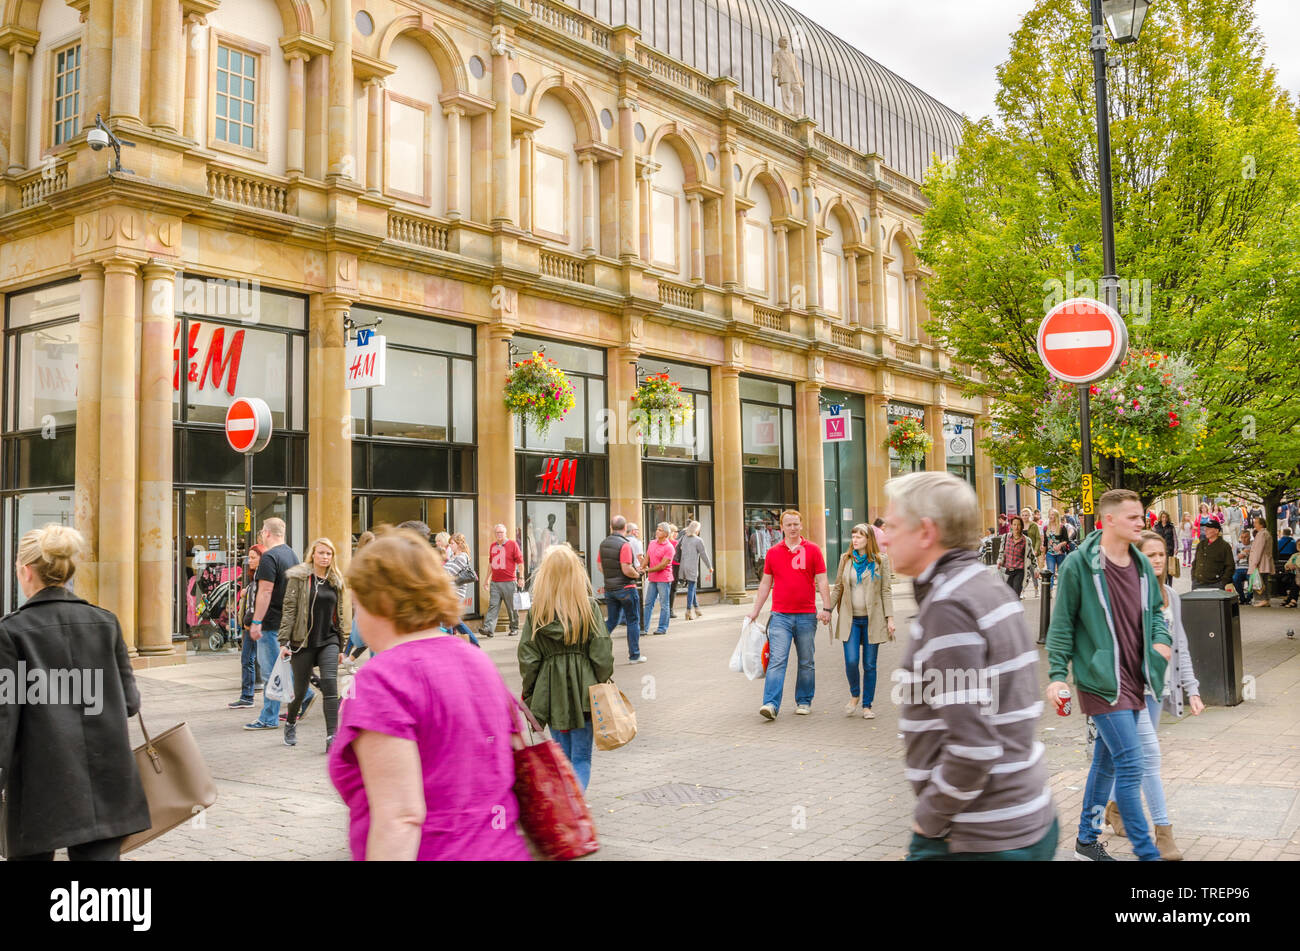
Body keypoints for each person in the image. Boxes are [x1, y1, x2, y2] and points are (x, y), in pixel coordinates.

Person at [881, 473, 1057, 861]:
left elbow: (973, 747)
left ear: (926, 531)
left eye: (892, 525)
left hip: (980, 834)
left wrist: (926, 822)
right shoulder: (985, 585)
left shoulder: (949, 606)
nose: (884, 537)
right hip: (1020, 819)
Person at [329, 528, 530, 860]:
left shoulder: (381, 680)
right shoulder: (476, 660)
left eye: (357, 604)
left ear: (380, 603)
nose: (357, 617)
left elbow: (400, 817)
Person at [0, 525, 151, 861]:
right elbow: (129, 703)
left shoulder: (11, 631)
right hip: (106, 779)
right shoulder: (106, 622)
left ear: (25, 572)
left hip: (41, 784)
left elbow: (4, 719)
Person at [1046, 488, 1172, 861]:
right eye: (1133, 517)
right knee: (1132, 763)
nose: (1142, 523)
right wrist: (1056, 674)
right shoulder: (1079, 565)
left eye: (1142, 516)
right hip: (1100, 680)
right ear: (1110, 520)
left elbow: (1155, 614)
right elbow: (1062, 624)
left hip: (1135, 678)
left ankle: (1087, 840)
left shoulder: (1141, 564)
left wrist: (1161, 642)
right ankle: (1148, 852)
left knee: (1107, 760)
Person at [1098, 531, 1203, 860]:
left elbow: (1180, 645)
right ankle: (1164, 834)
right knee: (1148, 759)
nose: (1157, 559)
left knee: (1127, 758)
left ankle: (1113, 808)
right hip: (1129, 691)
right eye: (1151, 554)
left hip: (1157, 691)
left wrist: (1193, 689)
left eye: (1162, 554)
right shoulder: (1126, 594)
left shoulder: (1172, 595)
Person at [517, 545, 614, 791]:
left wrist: (529, 692)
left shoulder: (538, 611)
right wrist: (602, 680)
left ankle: (568, 804)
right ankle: (576, 804)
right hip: (585, 690)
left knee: (562, 756)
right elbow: (601, 650)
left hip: (551, 690)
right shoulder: (588, 606)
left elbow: (528, 656)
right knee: (581, 758)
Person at [745, 510, 831, 720]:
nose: (792, 528)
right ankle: (770, 704)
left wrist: (827, 608)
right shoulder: (773, 552)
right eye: (788, 525)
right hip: (780, 616)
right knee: (777, 660)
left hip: (806, 615)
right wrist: (755, 611)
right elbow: (766, 584)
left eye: (795, 524)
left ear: (801, 525)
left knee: (806, 661)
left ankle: (803, 701)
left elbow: (822, 581)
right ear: (781, 527)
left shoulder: (813, 550)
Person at [279, 538, 350, 752]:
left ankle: (332, 737)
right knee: (300, 691)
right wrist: (284, 642)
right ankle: (291, 722)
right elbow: (289, 610)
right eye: (321, 553)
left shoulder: (336, 580)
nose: (325, 557)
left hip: (328, 640)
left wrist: (341, 646)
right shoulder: (300, 578)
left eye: (329, 554)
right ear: (313, 555)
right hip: (303, 642)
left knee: (330, 684)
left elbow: (339, 614)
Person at [246, 518, 314, 731]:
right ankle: (305, 695)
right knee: (281, 667)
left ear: (266, 533)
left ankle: (268, 717)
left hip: (271, 622)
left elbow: (265, 592)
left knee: (270, 672)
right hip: (287, 622)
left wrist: (256, 621)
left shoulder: (269, 557)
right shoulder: (291, 554)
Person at [828, 523, 895, 719]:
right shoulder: (845, 559)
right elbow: (838, 587)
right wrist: (827, 610)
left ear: (868, 539)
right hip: (850, 620)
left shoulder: (880, 560)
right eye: (853, 536)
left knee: (869, 665)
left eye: (859, 536)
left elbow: (886, 592)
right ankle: (855, 694)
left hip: (872, 621)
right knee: (851, 661)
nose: (855, 539)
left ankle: (867, 705)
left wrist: (890, 619)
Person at [599, 515, 646, 664]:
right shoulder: (624, 544)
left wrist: (612, 576)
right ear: (625, 528)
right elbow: (626, 569)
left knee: (612, 620)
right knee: (633, 620)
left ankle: (597, 647)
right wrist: (637, 573)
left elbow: (600, 566)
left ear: (611, 527)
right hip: (626, 588)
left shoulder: (603, 543)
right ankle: (635, 655)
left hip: (610, 588)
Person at [229, 542, 267, 708]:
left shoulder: (263, 576)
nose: (249, 561)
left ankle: (248, 696)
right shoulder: (255, 576)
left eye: (253, 557)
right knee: (247, 660)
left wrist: (248, 621)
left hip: (256, 624)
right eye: (249, 557)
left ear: (262, 558)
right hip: (251, 624)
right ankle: (247, 696)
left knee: (263, 662)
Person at [480, 523, 523, 639]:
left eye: (501, 532)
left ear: (505, 533)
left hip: (509, 581)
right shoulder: (492, 546)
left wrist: (521, 578)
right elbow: (491, 564)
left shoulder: (513, 544)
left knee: (511, 607)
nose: (499, 534)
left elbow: (520, 562)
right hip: (495, 582)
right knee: (493, 606)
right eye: (497, 532)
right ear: (495, 534)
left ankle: (514, 628)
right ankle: (489, 629)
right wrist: (486, 579)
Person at [341, 531, 376, 670]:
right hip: (365, 602)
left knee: (362, 634)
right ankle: (347, 657)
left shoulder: (371, 559)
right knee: (363, 634)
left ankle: (347, 657)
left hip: (370, 602)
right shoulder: (362, 561)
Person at [642, 523, 677, 635]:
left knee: (664, 604)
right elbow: (647, 557)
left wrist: (647, 570)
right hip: (653, 578)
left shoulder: (669, 548)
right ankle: (644, 628)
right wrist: (641, 567)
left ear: (666, 534)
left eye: (660, 530)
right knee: (648, 603)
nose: (657, 531)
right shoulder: (652, 543)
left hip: (664, 579)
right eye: (657, 529)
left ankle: (662, 628)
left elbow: (662, 565)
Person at [677, 521, 712, 620]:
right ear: (697, 529)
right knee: (691, 589)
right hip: (692, 567)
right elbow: (703, 554)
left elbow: (678, 547)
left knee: (692, 588)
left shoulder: (684, 538)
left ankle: (697, 609)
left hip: (683, 567)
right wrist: (709, 567)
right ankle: (688, 610)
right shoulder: (698, 540)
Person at [1190, 518, 1235, 594]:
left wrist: (1223, 582)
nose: (1206, 530)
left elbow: (1230, 566)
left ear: (1216, 531)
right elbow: (1195, 562)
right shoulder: (1201, 544)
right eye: (1205, 528)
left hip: (1216, 584)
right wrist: (1194, 577)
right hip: (1198, 583)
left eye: (1209, 528)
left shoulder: (1224, 546)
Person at [997, 516, 1029, 596]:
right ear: (1011, 525)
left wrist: (1036, 569)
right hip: (1007, 571)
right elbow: (1001, 552)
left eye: (1018, 525)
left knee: (1015, 594)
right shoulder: (1005, 537)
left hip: (1019, 571)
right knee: (1007, 596)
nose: (1016, 527)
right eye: (1014, 524)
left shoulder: (1026, 540)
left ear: (1022, 526)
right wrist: (999, 561)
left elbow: (1031, 556)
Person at [1248, 516, 1274, 607]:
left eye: (1256, 523)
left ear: (1261, 524)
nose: (1254, 524)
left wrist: (1255, 562)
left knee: (1259, 581)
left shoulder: (1261, 534)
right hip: (1264, 561)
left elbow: (1258, 549)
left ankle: (1262, 599)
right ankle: (1266, 599)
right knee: (1264, 581)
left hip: (1261, 562)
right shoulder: (1266, 533)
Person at [1020, 507, 1042, 596]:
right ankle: (1022, 591)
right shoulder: (1019, 525)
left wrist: (1036, 550)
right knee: (1022, 573)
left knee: (1033, 572)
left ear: (1030, 516)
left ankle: (1036, 589)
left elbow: (1038, 539)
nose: (1025, 517)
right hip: (1021, 552)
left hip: (1032, 552)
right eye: (1023, 515)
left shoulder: (1034, 525)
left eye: (1026, 515)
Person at [1043, 509, 1072, 577]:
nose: (1050, 516)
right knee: (1050, 572)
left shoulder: (1062, 527)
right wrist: (1043, 555)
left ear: (1056, 516)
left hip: (1060, 554)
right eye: (1049, 514)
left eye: (1052, 515)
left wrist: (1060, 544)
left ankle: (1062, 587)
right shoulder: (1046, 528)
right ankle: (1050, 587)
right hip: (1050, 554)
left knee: (1061, 573)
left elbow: (1066, 540)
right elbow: (1045, 542)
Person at [1231, 528, 1253, 606]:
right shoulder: (1237, 546)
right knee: (1235, 578)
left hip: (1250, 569)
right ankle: (1242, 597)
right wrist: (1239, 557)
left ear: (1250, 537)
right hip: (1239, 568)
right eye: (1242, 537)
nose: (1244, 539)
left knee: (1252, 580)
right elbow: (1232, 559)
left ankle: (1249, 598)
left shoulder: (1253, 546)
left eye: (1246, 537)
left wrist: (1250, 553)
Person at [1278, 528, 1298, 607]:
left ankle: (1290, 598)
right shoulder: (1293, 544)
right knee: (1292, 577)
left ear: (1283, 533)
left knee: (1294, 578)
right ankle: (1291, 598)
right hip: (1290, 569)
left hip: (1283, 567)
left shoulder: (1279, 542)